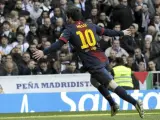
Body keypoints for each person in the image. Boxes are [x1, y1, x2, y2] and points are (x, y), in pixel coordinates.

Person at [33, 6, 144, 118]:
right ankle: (113, 104)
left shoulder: (70, 29)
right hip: (103, 58)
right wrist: (121, 33)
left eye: (67, 17)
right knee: (94, 81)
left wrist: (44, 52)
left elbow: (59, 44)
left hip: (93, 63)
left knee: (112, 85)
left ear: (70, 18)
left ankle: (135, 102)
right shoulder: (90, 25)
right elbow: (107, 32)